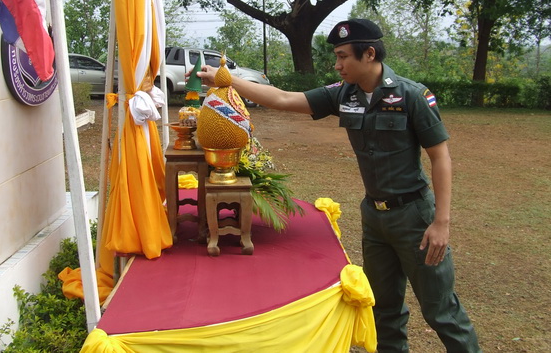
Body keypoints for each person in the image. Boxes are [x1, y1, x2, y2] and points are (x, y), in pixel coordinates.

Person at [196, 19, 481, 352]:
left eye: (343, 56)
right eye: (337, 56)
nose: (337, 64)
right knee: (383, 309)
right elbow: (284, 99)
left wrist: (441, 222)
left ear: (369, 54)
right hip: (374, 217)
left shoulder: (412, 96)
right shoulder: (344, 94)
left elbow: (440, 157)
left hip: (414, 217)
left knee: (440, 310)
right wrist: (227, 79)